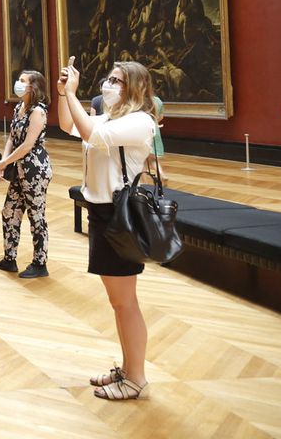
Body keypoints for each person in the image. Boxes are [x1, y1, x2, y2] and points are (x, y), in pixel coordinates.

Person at [58, 55, 158, 401]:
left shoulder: (140, 122)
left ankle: (137, 378)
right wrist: (62, 93)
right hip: (101, 213)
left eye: (116, 81)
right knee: (119, 303)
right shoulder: (108, 117)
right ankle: (129, 369)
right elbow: (68, 125)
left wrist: (72, 93)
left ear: (135, 87)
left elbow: (89, 131)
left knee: (125, 303)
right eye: (109, 79)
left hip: (120, 217)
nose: (108, 85)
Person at [0, 71, 53, 278]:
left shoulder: (38, 111)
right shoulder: (20, 107)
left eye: (22, 81)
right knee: (9, 211)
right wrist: (3, 159)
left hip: (34, 169)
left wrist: (5, 161)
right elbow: (12, 137)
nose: (17, 83)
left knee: (36, 215)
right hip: (18, 167)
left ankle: (40, 263)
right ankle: (9, 258)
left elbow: (28, 144)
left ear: (33, 86)